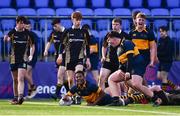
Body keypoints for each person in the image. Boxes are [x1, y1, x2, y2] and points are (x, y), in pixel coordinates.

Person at [107, 31, 159, 105]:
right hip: (130, 68)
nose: (109, 42)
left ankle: (156, 98)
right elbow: (122, 63)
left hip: (137, 66)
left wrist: (128, 71)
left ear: (115, 39)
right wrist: (121, 70)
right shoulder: (118, 48)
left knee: (136, 84)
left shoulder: (127, 43)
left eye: (109, 40)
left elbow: (130, 58)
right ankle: (116, 100)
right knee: (111, 79)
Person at [4, 16, 35, 105]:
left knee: (21, 77)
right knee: (15, 79)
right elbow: (7, 39)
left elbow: (32, 45)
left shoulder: (28, 34)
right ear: (17, 23)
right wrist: (6, 39)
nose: (22, 25)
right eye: (21, 23)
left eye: (23, 23)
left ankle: (20, 97)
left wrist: (31, 55)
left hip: (23, 59)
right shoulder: (12, 32)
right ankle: (15, 97)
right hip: (13, 59)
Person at [61, 67, 130, 106]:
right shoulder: (75, 88)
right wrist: (65, 98)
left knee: (124, 102)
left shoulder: (91, 85)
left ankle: (134, 98)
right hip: (99, 103)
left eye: (80, 76)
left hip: (106, 100)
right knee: (122, 98)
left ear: (84, 77)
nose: (78, 78)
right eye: (76, 77)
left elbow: (102, 94)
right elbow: (68, 95)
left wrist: (94, 103)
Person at [57, 11, 91, 89]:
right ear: (72, 20)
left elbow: (87, 46)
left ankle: (79, 94)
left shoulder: (84, 32)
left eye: (80, 20)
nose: (78, 22)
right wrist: (60, 55)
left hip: (79, 58)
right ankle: (73, 96)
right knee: (70, 80)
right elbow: (62, 44)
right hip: (69, 59)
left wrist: (88, 59)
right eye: (76, 20)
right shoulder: (68, 32)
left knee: (79, 75)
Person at [99, 17, 130, 90]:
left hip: (119, 62)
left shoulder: (126, 36)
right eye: (113, 24)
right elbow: (104, 46)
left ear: (120, 26)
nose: (114, 26)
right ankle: (101, 98)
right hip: (108, 60)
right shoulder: (108, 34)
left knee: (122, 83)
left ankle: (124, 98)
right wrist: (103, 56)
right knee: (101, 78)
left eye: (116, 24)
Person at [43, 19, 68, 100]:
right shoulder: (53, 33)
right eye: (53, 27)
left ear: (59, 24)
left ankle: (56, 94)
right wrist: (46, 50)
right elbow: (49, 42)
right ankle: (70, 93)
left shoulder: (66, 32)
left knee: (60, 75)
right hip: (57, 56)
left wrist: (62, 55)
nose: (54, 28)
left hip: (65, 56)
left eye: (55, 26)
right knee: (64, 78)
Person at [157, 26, 176, 91]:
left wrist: (157, 54)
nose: (161, 33)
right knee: (159, 76)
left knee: (164, 77)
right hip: (161, 61)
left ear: (166, 32)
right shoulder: (160, 39)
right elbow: (158, 49)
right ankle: (175, 87)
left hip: (167, 61)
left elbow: (167, 53)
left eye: (162, 31)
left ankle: (164, 93)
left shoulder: (169, 41)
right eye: (160, 31)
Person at [24, 20, 38, 99]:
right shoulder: (23, 34)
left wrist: (31, 56)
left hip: (32, 57)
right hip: (24, 57)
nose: (27, 28)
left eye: (28, 26)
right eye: (26, 27)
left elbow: (33, 46)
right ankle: (30, 93)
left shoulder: (33, 35)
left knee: (25, 72)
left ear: (31, 27)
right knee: (29, 74)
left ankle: (34, 88)